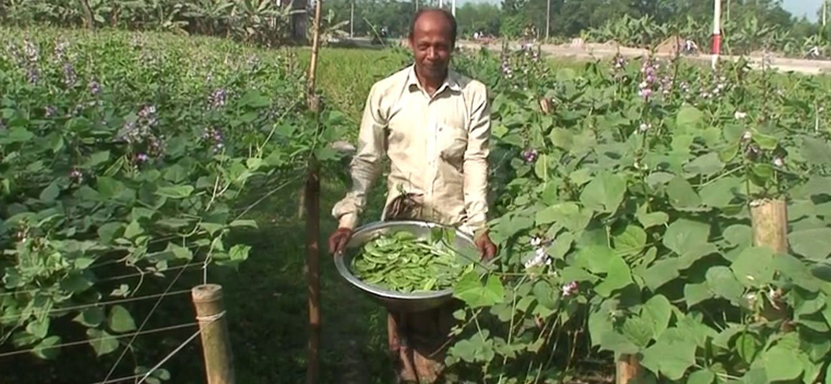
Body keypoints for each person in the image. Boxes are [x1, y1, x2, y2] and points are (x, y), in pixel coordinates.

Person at [327, 8, 497, 384]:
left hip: (450, 230)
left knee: (438, 328)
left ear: (453, 47)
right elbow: (367, 161)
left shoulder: (473, 95)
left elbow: (476, 162)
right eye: (424, 45)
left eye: (441, 46)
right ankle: (404, 371)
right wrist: (348, 220)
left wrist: (480, 226)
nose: (432, 54)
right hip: (400, 226)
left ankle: (432, 374)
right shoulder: (386, 93)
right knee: (400, 321)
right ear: (410, 44)